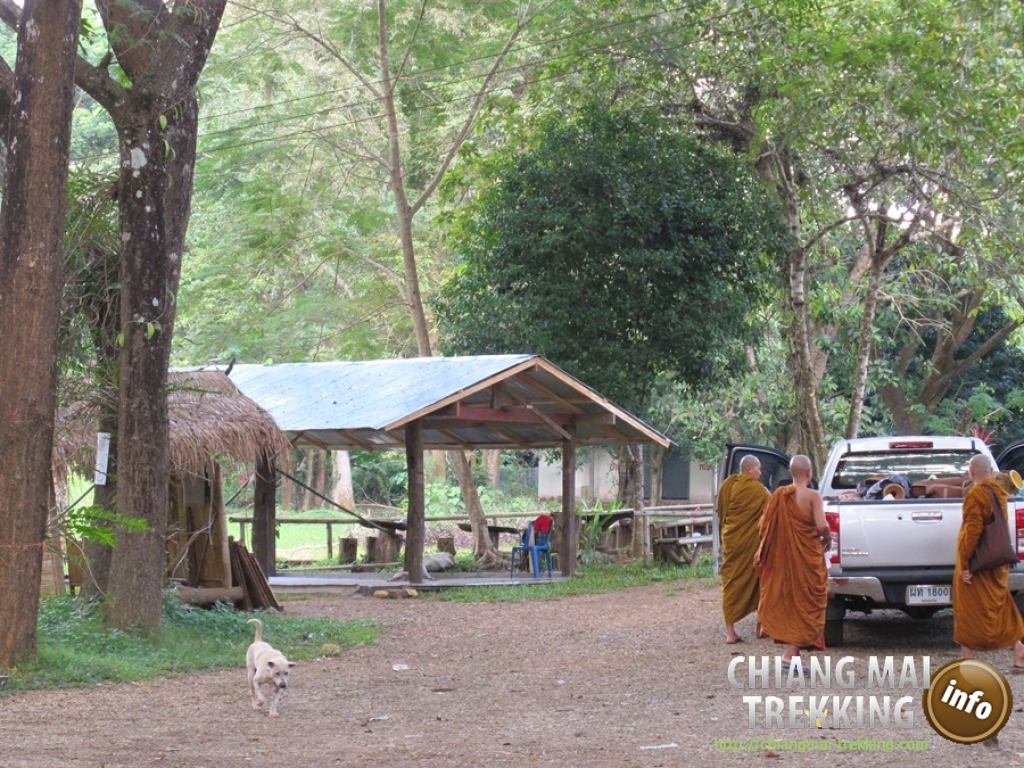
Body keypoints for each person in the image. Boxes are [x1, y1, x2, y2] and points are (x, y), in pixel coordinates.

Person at [754, 455, 831, 673]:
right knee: (808, 602)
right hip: (807, 559)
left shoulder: (779, 495)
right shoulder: (813, 496)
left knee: (792, 601)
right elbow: (821, 525)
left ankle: (794, 658)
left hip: (785, 559)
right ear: (809, 473)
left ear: (790, 474)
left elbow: (764, 527)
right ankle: (789, 656)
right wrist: (828, 538)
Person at [953, 454, 1024, 672]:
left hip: (979, 562)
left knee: (967, 608)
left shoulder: (976, 494)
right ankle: (1019, 651)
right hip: (997, 560)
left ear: (971, 471)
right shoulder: (998, 492)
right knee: (1000, 603)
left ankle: (967, 661)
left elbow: (973, 531)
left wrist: (965, 564)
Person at [716, 455, 771, 644]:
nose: (760, 472)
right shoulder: (758, 490)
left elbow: (720, 511)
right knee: (758, 579)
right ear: (750, 470)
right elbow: (772, 510)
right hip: (750, 543)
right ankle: (760, 626)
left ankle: (730, 632)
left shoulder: (727, 486)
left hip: (731, 541)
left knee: (731, 582)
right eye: (758, 469)